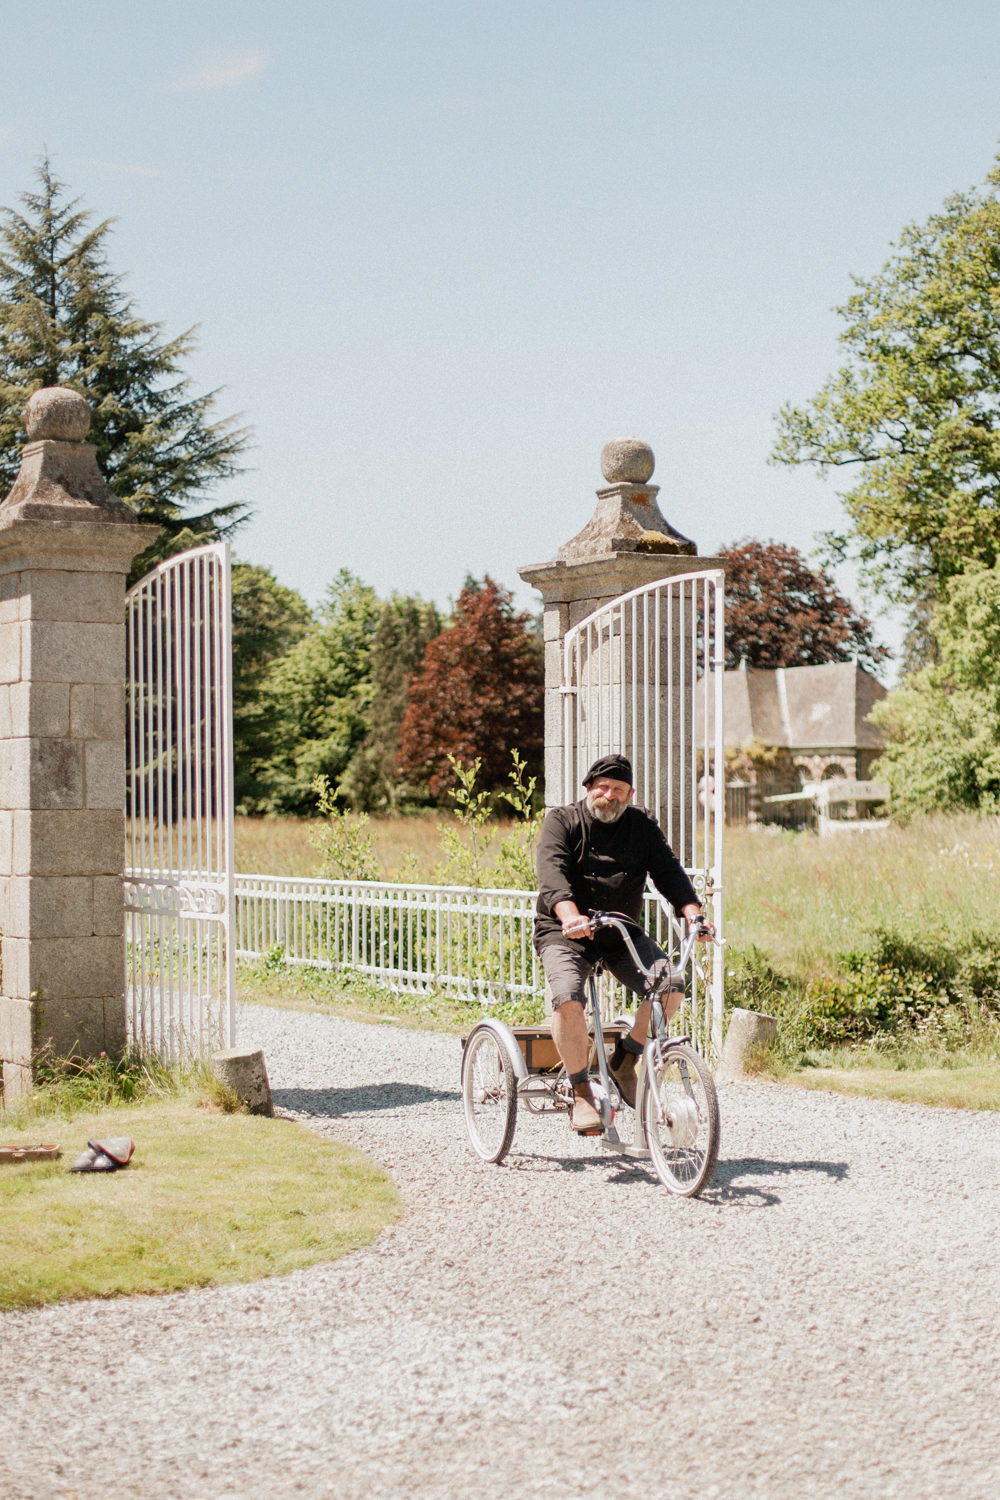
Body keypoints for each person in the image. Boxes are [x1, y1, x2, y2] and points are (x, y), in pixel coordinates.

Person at [534, 753, 714, 1134]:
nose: (609, 795)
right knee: (568, 998)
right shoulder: (561, 821)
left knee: (670, 987)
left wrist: (693, 915)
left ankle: (624, 1059)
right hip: (567, 933)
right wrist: (570, 916)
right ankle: (582, 1089)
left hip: (620, 932)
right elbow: (553, 875)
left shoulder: (641, 826)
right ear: (588, 788)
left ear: (629, 794)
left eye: (618, 789)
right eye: (602, 787)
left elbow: (670, 873)